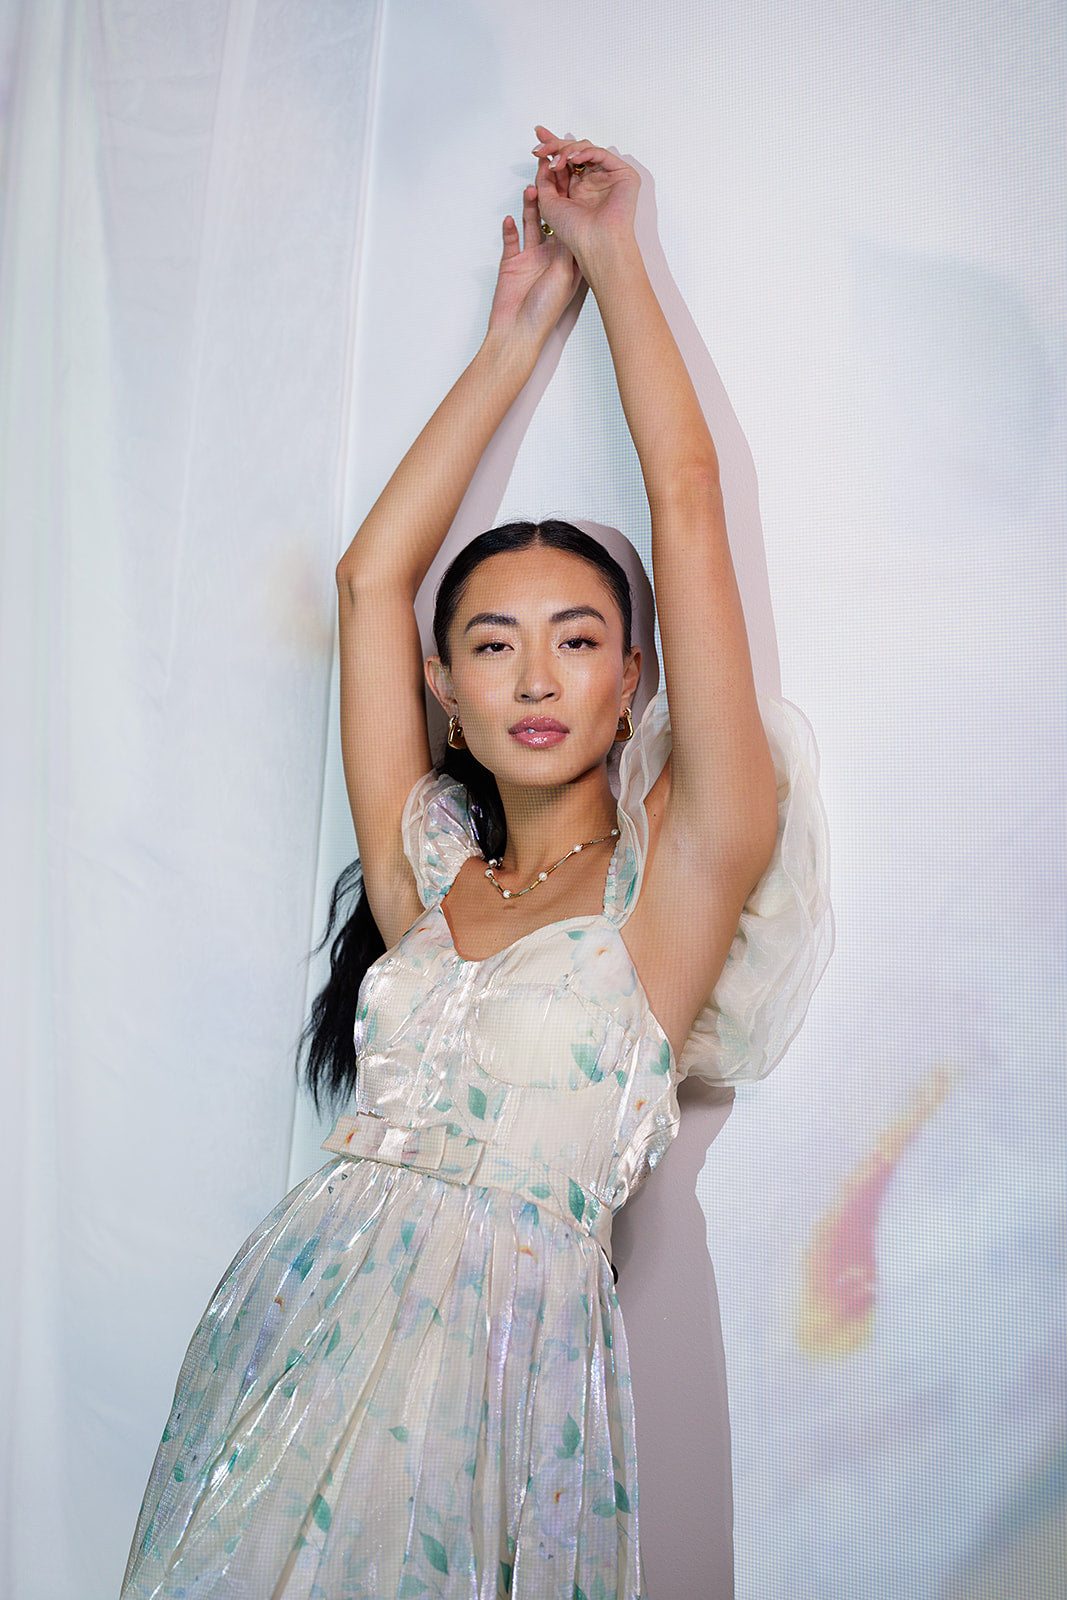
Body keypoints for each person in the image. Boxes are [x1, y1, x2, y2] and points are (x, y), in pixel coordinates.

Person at [122, 128, 829, 1600]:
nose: (537, 677)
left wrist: (613, 259)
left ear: (634, 681)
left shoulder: (678, 885)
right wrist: (512, 339)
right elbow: (369, 581)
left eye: (579, 639)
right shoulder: (425, 887)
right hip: (288, 1339)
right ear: (445, 690)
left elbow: (687, 497)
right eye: (494, 645)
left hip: (502, 1392)